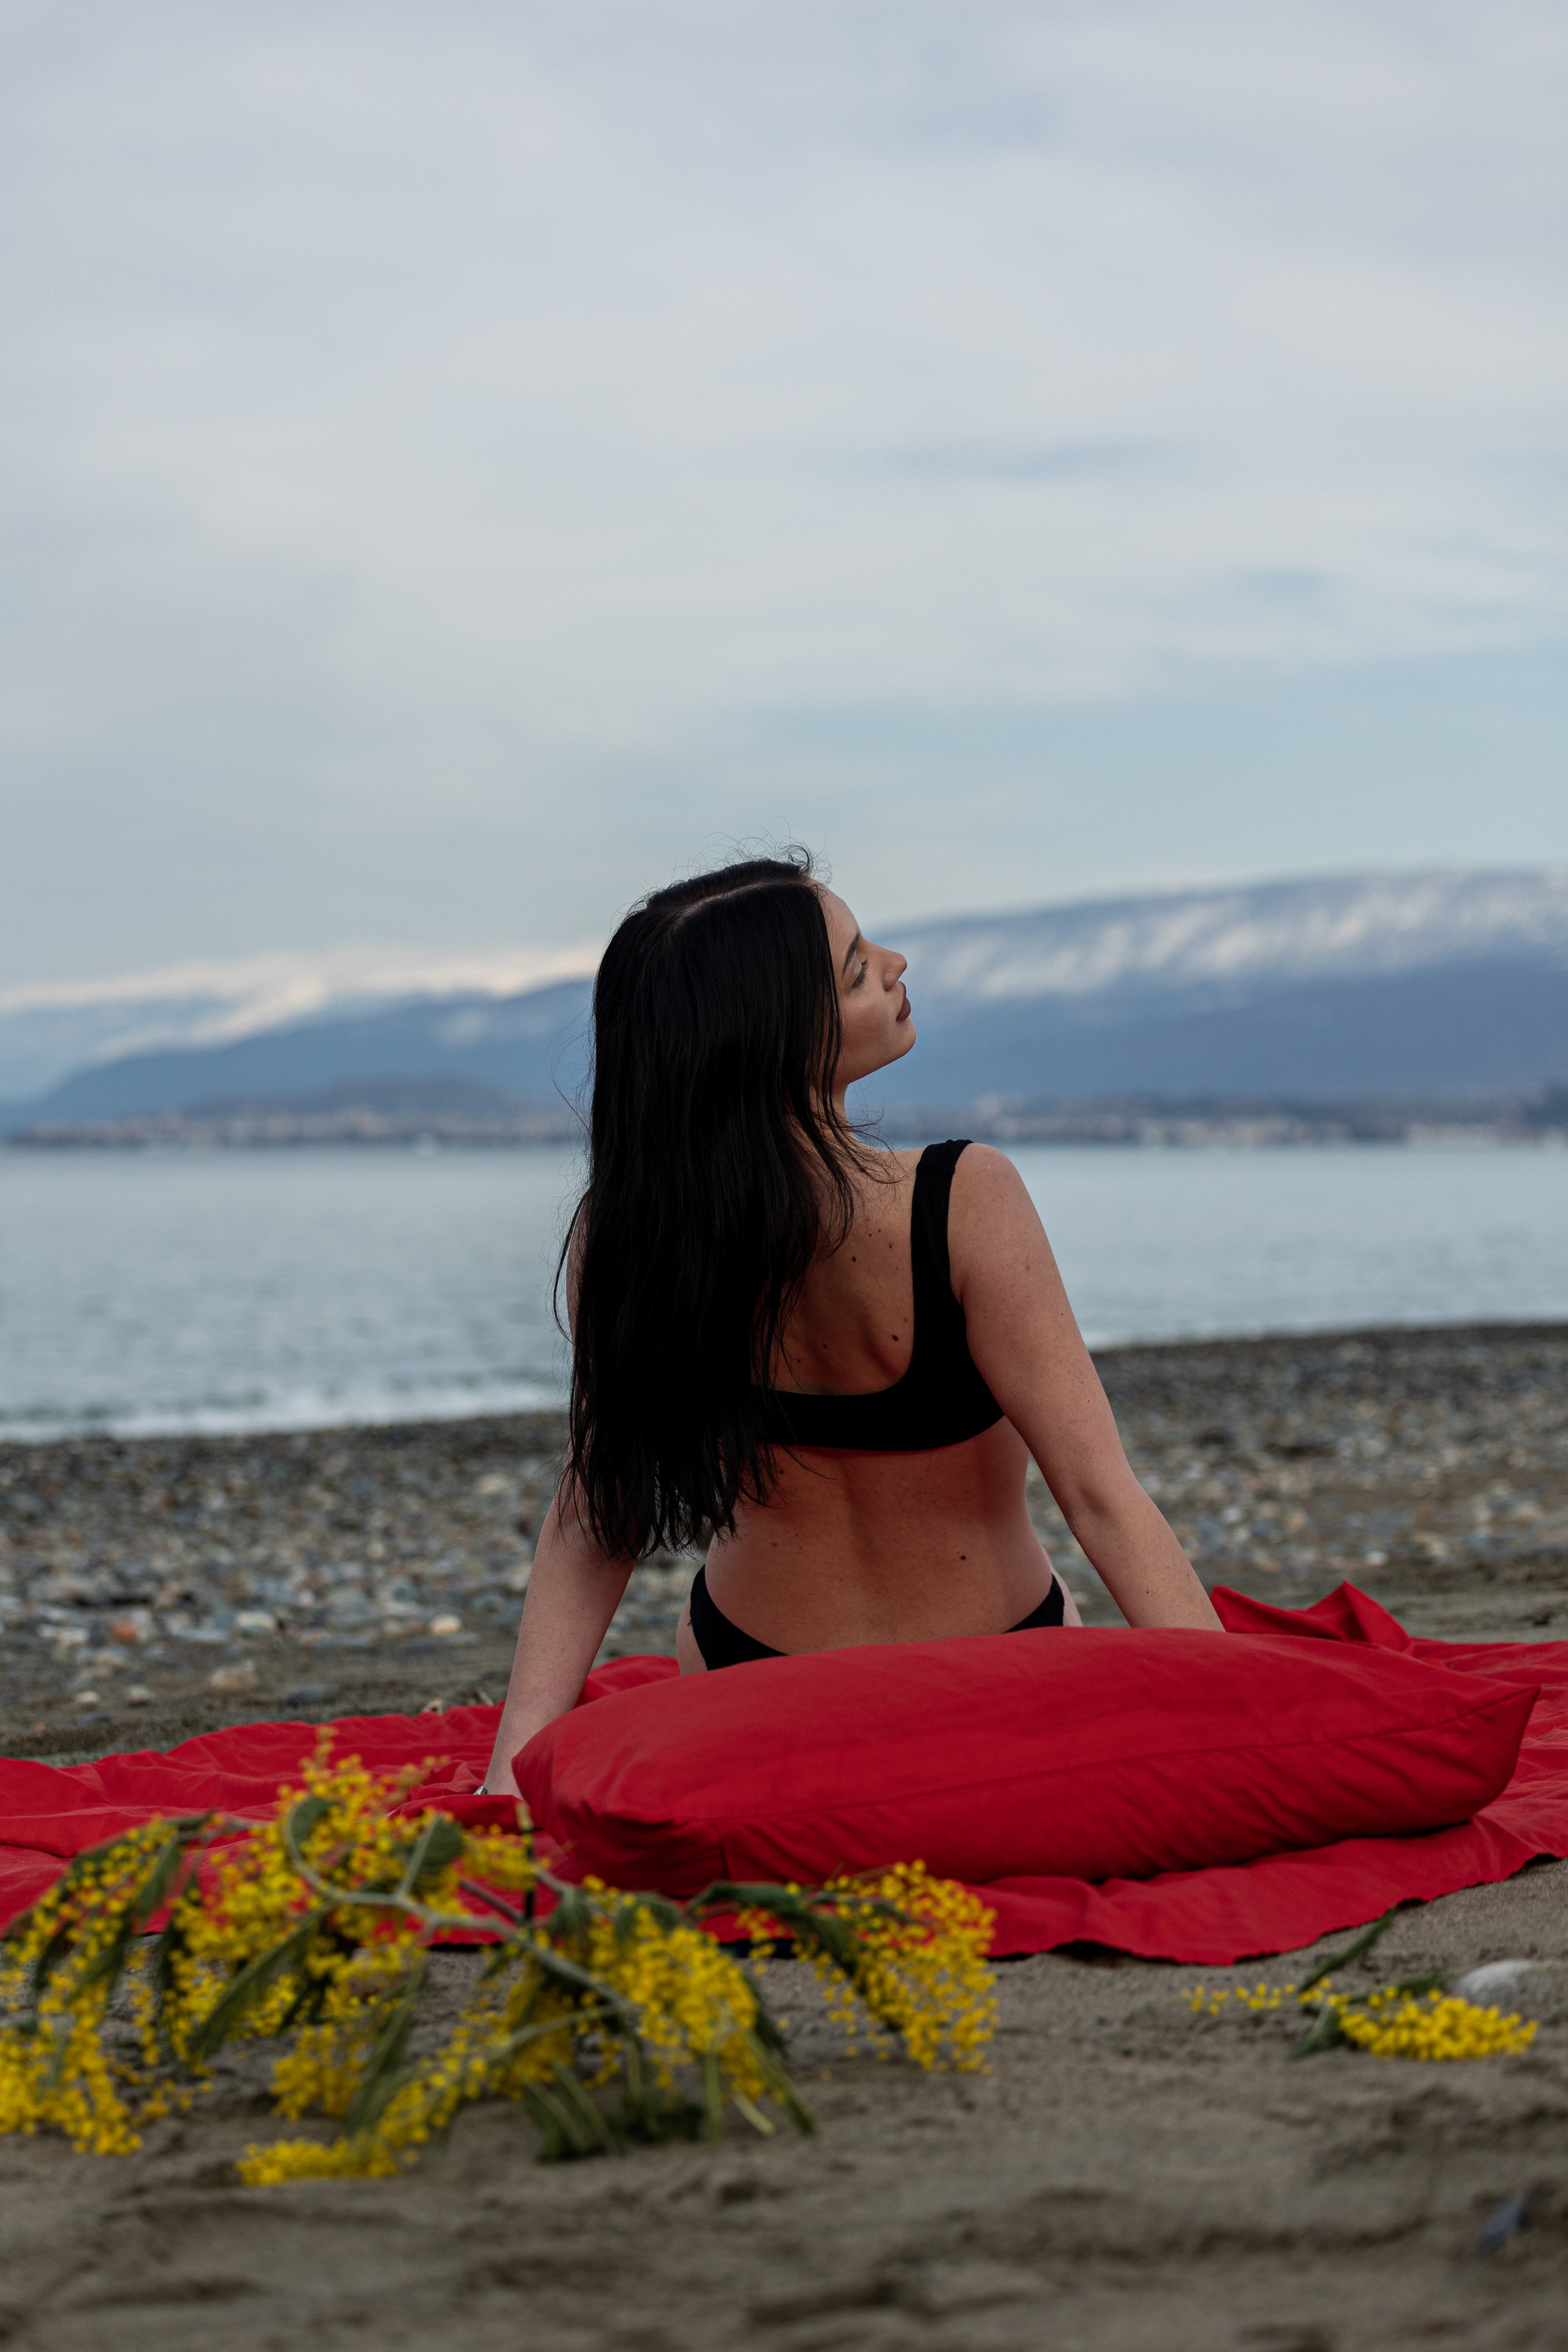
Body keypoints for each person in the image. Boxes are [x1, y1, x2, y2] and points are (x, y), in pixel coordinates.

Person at [482, 852, 1220, 1796]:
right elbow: (1098, 1494)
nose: (900, 961)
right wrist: (1238, 1706)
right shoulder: (964, 1199)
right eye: (860, 967)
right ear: (781, 1035)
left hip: (745, 1675)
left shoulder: (629, 1239)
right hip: (993, 1672)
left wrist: (512, 1770)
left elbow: (597, 1510)